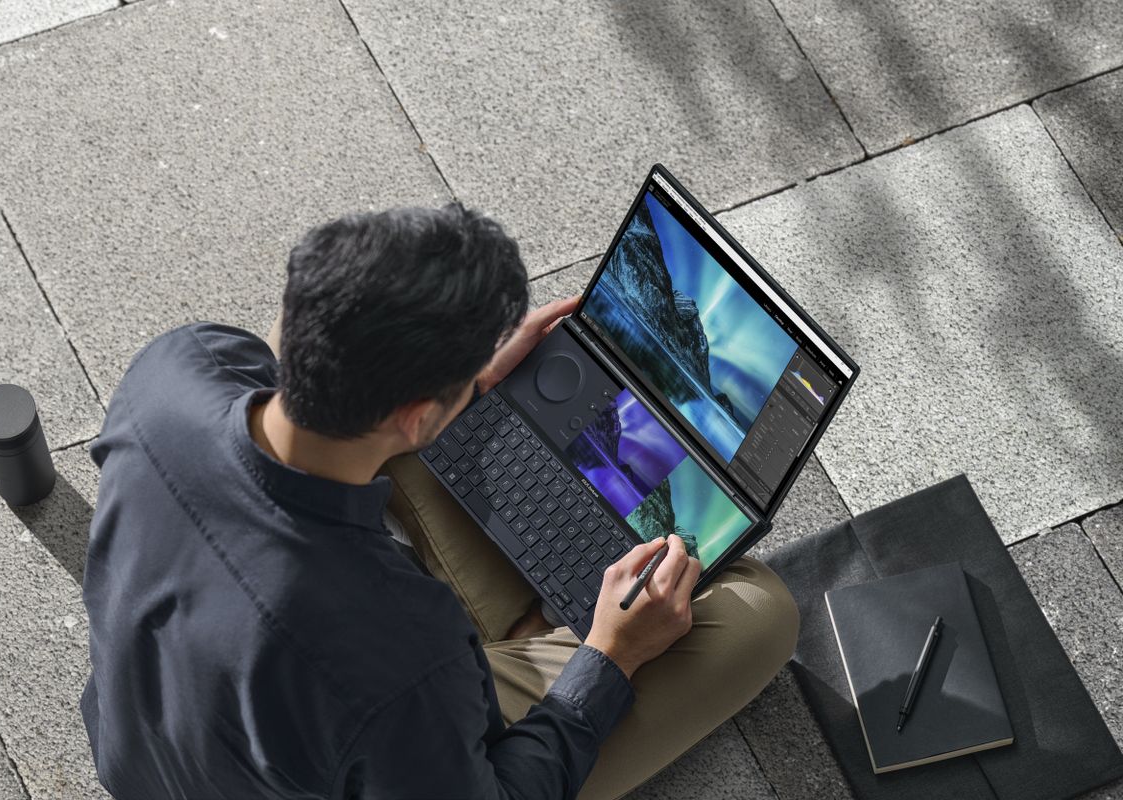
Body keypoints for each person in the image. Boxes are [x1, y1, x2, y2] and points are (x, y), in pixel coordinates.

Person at [80, 203, 799, 800]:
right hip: (371, 722)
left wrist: (470, 385)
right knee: (759, 608)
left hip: (148, 744)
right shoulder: (403, 654)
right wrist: (613, 654)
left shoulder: (174, 370)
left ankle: (533, 616)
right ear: (416, 413)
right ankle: (549, 630)